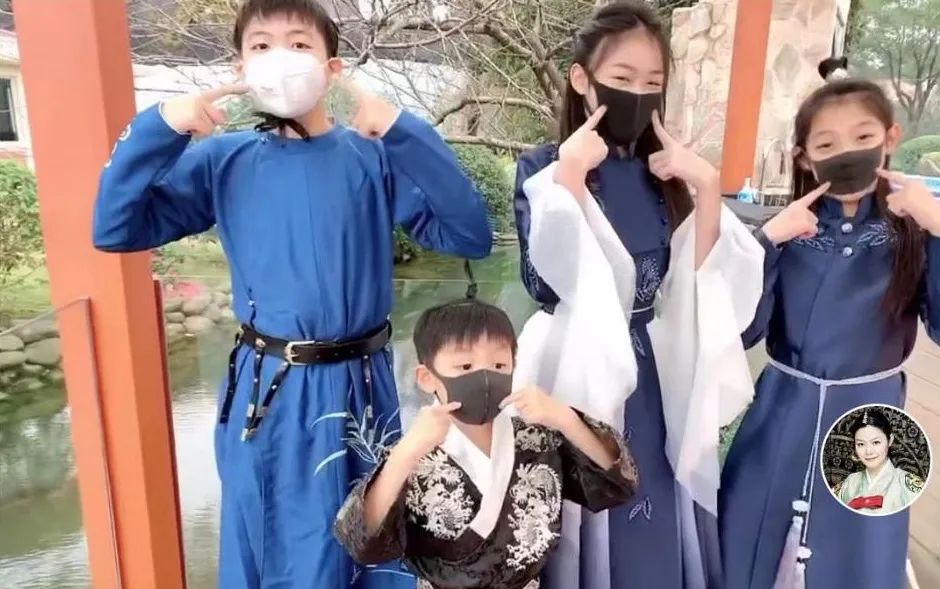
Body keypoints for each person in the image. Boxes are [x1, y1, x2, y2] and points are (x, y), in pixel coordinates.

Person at [92, 0, 492, 587]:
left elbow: (468, 234)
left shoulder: (373, 157)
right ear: (240, 66)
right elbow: (115, 228)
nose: (280, 57)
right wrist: (160, 128)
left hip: (362, 385)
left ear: (332, 67)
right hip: (271, 392)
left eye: (299, 43)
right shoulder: (222, 160)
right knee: (276, 541)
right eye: (261, 45)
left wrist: (405, 131)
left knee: (375, 533)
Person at [512, 2, 764, 588]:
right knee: (586, 504)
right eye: (622, 79)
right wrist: (569, 179)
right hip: (578, 369)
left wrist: (705, 185)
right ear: (582, 79)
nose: (638, 95)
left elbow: (699, 281)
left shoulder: (663, 172)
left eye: (653, 83)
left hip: (653, 371)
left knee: (656, 495)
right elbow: (542, 283)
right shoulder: (544, 165)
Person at [719, 77, 940, 589]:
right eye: (826, 145)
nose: (847, 154)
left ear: (890, 137)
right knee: (749, 533)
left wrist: (937, 228)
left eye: (863, 138)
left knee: (858, 557)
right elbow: (742, 331)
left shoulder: (912, 230)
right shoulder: (788, 228)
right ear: (804, 157)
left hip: (872, 421)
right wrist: (765, 243)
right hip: (781, 413)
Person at [333, 299, 640, 589]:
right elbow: (362, 542)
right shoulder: (414, 455)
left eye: (498, 364)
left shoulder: (538, 440)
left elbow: (617, 485)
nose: (484, 377)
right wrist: (406, 453)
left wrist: (566, 418)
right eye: (465, 366)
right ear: (427, 377)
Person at [835, 408, 925, 514]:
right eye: (861, 444)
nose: (868, 451)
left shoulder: (907, 485)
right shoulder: (849, 483)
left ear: (890, 440)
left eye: (876, 442)